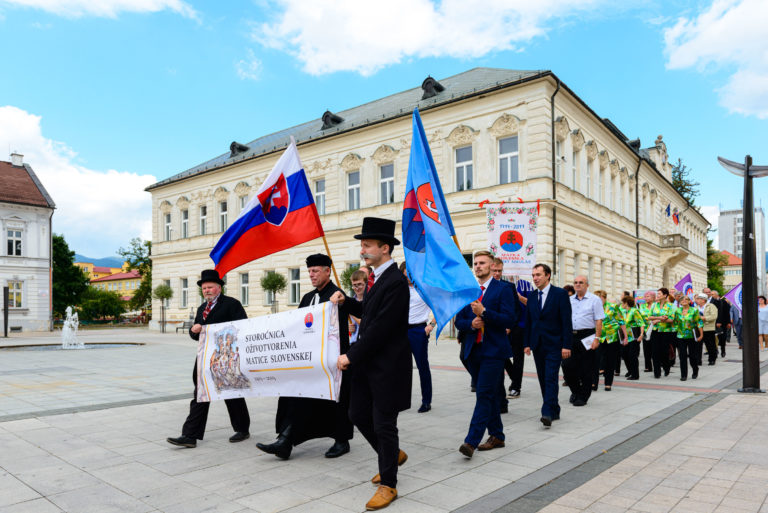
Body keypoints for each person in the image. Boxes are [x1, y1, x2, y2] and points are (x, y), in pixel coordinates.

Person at [331, 217, 410, 511]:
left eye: (367, 244)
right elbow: (367, 311)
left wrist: (351, 355)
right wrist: (346, 302)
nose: (362, 249)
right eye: (362, 244)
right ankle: (392, 455)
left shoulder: (396, 282)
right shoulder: (377, 278)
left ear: (384, 248)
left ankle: (389, 484)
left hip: (387, 367)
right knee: (356, 413)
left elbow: (381, 328)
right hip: (369, 365)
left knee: (384, 424)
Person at [256, 254, 354, 460]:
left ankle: (342, 440)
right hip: (309, 360)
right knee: (295, 395)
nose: (311, 275)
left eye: (316, 271)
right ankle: (285, 441)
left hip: (332, 359)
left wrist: (341, 303)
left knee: (336, 400)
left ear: (328, 271)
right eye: (309, 271)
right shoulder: (307, 298)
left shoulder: (337, 295)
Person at [167, 269, 250, 448]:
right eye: (204, 288)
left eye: (210, 287)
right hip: (205, 359)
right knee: (200, 394)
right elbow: (196, 336)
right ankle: (190, 435)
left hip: (226, 358)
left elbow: (243, 327)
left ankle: (242, 429)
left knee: (232, 392)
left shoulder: (231, 304)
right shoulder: (201, 309)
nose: (207, 291)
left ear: (219, 287)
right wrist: (193, 330)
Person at [455, 251, 516, 458]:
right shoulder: (469, 290)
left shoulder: (504, 289)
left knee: (483, 394)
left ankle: (471, 442)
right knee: (488, 394)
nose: (478, 266)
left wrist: (485, 313)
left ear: (492, 266)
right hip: (473, 351)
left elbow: (509, 319)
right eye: (476, 263)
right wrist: (471, 324)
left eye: (482, 263)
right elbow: (459, 321)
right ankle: (497, 435)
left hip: (494, 352)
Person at [524, 263, 572, 428]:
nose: (535, 278)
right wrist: (527, 343)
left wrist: (567, 345)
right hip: (538, 345)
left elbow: (566, 321)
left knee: (551, 377)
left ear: (548, 275)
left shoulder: (560, 294)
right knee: (543, 379)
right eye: (533, 275)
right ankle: (555, 409)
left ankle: (547, 412)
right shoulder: (531, 296)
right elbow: (529, 321)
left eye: (538, 275)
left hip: (555, 344)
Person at [399, 261, 435, 413]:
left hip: (418, 330)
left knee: (422, 366)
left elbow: (440, 308)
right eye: (405, 275)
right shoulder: (400, 290)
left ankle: (426, 401)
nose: (408, 277)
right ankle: (400, 400)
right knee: (400, 367)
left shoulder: (424, 289)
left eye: (410, 274)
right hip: (400, 330)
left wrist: (431, 325)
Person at [562, 276, 603, 407]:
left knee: (586, 368)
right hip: (571, 336)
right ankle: (575, 391)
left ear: (587, 285)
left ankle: (583, 396)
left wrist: (597, 338)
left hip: (587, 336)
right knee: (567, 366)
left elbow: (598, 320)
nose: (578, 285)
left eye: (581, 283)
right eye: (575, 283)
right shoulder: (568, 300)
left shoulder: (594, 300)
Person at [490, 258, 524, 401]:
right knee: (502, 357)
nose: (497, 274)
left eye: (499, 271)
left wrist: (509, 326)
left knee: (517, 357)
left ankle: (516, 386)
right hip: (495, 329)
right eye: (494, 271)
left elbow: (516, 309)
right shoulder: (483, 287)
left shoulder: (508, 286)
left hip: (513, 328)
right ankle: (513, 377)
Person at [593, 290, 626, 391]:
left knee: (610, 360)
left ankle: (608, 383)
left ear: (605, 298)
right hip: (597, 337)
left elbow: (621, 321)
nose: (598, 301)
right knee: (595, 360)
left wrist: (625, 336)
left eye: (600, 299)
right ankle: (594, 382)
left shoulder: (613, 307)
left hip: (611, 337)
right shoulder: (592, 307)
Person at [671, 294, 703, 381]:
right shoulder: (677, 311)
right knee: (682, 356)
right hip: (680, 336)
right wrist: (674, 330)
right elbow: (675, 322)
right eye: (682, 300)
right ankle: (683, 375)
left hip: (691, 336)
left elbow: (699, 322)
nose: (684, 301)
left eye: (686, 299)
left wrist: (701, 334)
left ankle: (695, 369)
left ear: (689, 301)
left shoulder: (694, 311)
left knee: (692, 356)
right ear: (680, 302)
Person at [648, 288, 676, 379]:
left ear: (665, 295)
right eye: (657, 293)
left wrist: (658, 319)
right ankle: (657, 372)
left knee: (664, 352)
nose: (658, 295)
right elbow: (649, 317)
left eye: (659, 293)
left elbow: (671, 319)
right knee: (654, 352)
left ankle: (666, 367)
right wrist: (660, 318)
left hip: (666, 332)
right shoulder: (654, 305)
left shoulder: (671, 306)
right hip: (655, 331)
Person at [619, 295, 644, 380]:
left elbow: (641, 323)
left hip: (634, 336)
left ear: (626, 303)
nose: (621, 304)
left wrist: (641, 334)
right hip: (625, 337)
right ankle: (630, 371)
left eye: (623, 302)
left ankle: (635, 374)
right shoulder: (622, 311)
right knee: (624, 354)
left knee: (632, 356)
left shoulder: (634, 311)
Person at [696, 293, 719, 365]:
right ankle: (698, 360)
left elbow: (714, 316)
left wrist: (704, 318)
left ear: (703, 300)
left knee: (710, 345)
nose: (697, 300)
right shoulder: (696, 307)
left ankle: (712, 359)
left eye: (698, 299)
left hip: (708, 328)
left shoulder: (711, 306)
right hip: (698, 328)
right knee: (697, 346)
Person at [348, 269, 368, 344]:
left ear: (366, 283)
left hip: (366, 342)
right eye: (354, 285)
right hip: (354, 342)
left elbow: (366, 324)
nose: (356, 288)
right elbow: (351, 327)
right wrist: (349, 328)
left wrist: (352, 313)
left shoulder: (371, 300)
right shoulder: (351, 301)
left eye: (359, 284)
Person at [639, 291, 655, 372]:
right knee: (646, 348)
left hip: (655, 328)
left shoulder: (656, 305)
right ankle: (648, 366)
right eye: (645, 296)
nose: (646, 298)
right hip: (645, 329)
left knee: (654, 348)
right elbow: (640, 317)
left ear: (653, 297)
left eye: (648, 296)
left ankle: (657, 365)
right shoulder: (642, 306)